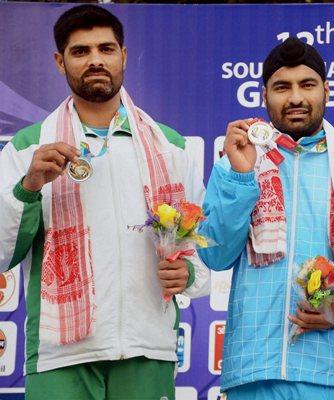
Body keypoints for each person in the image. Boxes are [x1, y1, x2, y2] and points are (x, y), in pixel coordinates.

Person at [0, 5, 210, 399]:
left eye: (106, 49)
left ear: (123, 56)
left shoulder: (170, 147)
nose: (95, 60)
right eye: (81, 52)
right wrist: (28, 187)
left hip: (147, 346)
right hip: (60, 354)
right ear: (60, 62)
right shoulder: (28, 147)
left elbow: (198, 245)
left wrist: (191, 276)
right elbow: (1, 252)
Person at [198, 37, 334, 399]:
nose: (296, 98)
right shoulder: (236, 164)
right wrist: (240, 176)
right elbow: (216, 256)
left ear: (327, 91)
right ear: (264, 94)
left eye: (307, 85)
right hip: (254, 371)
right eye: (282, 87)